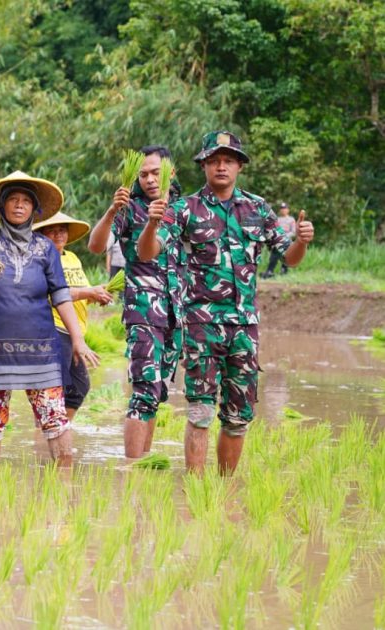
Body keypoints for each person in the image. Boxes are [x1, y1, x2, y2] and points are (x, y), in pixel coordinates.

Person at [137, 131, 314, 475]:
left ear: (239, 166)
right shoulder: (184, 209)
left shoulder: (258, 208)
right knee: (200, 412)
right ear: (203, 165)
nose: (221, 166)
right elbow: (148, 252)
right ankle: (196, 490)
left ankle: (224, 490)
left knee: (238, 417)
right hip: (201, 327)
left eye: (228, 160)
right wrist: (152, 223)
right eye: (214, 160)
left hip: (244, 328)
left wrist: (302, 242)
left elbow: (289, 258)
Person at [0, 171, 99, 466]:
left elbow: (61, 295)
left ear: (34, 209)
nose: (19, 205)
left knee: (55, 417)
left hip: (40, 349)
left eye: (26, 200)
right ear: (2, 206)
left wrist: (78, 339)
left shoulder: (45, 248)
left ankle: (64, 483)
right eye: (13, 199)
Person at [88, 145, 186, 459]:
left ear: (171, 171)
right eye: (143, 175)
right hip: (143, 311)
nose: (149, 179)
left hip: (176, 315)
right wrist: (111, 211)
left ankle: (143, 464)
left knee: (158, 393)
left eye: (155, 172)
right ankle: (131, 469)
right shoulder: (129, 209)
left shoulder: (184, 208)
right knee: (144, 391)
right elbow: (96, 246)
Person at [34, 212, 113, 421]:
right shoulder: (40, 259)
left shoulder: (72, 258)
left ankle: (60, 428)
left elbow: (79, 292)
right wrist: (88, 292)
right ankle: (47, 431)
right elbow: (51, 293)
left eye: (62, 230)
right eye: (52, 230)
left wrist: (96, 295)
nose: (58, 234)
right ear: (41, 234)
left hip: (74, 330)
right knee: (52, 391)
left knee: (78, 388)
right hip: (53, 328)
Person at [263, 202, 297, 278]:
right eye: (282, 208)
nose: (283, 210)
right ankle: (269, 271)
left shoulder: (291, 219)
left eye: (285, 208)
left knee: (285, 257)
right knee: (273, 257)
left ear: (288, 210)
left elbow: (293, 232)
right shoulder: (277, 219)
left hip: (287, 241)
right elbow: (273, 228)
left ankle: (284, 271)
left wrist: (284, 236)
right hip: (277, 241)